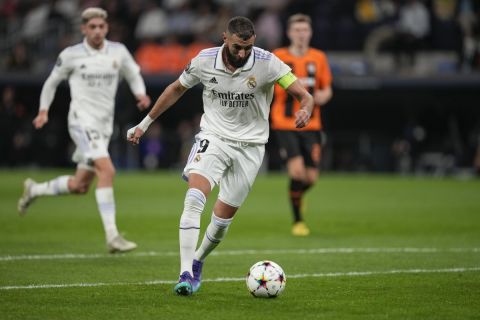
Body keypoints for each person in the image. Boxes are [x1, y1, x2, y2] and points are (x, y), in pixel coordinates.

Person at [127, 16, 314, 296]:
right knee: (193, 199)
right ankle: (185, 273)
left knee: (221, 222)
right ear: (225, 38)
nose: (242, 53)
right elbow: (176, 88)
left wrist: (305, 108)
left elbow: (304, 94)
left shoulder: (267, 62)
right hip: (213, 138)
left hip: (250, 148)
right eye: (238, 47)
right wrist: (144, 124)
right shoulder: (204, 60)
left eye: (248, 48)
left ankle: (199, 259)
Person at [17, 7, 151, 253]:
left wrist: (140, 93)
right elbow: (51, 82)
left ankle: (34, 189)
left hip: (103, 126)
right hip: (81, 121)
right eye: (92, 27)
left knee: (80, 186)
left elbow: (133, 74)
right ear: (83, 29)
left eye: (101, 26)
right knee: (107, 170)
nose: (97, 31)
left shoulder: (118, 51)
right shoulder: (71, 55)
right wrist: (43, 110)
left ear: (107, 27)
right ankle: (112, 236)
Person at [270, 14, 333, 236]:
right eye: (297, 30)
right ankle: (298, 221)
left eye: (304, 30)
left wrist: (322, 97)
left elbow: (326, 88)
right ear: (289, 33)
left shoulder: (319, 57)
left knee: (311, 178)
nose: (301, 34)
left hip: (312, 125)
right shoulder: (278, 56)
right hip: (285, 123)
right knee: (296, 173)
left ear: (310, 33)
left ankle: (297, 197)